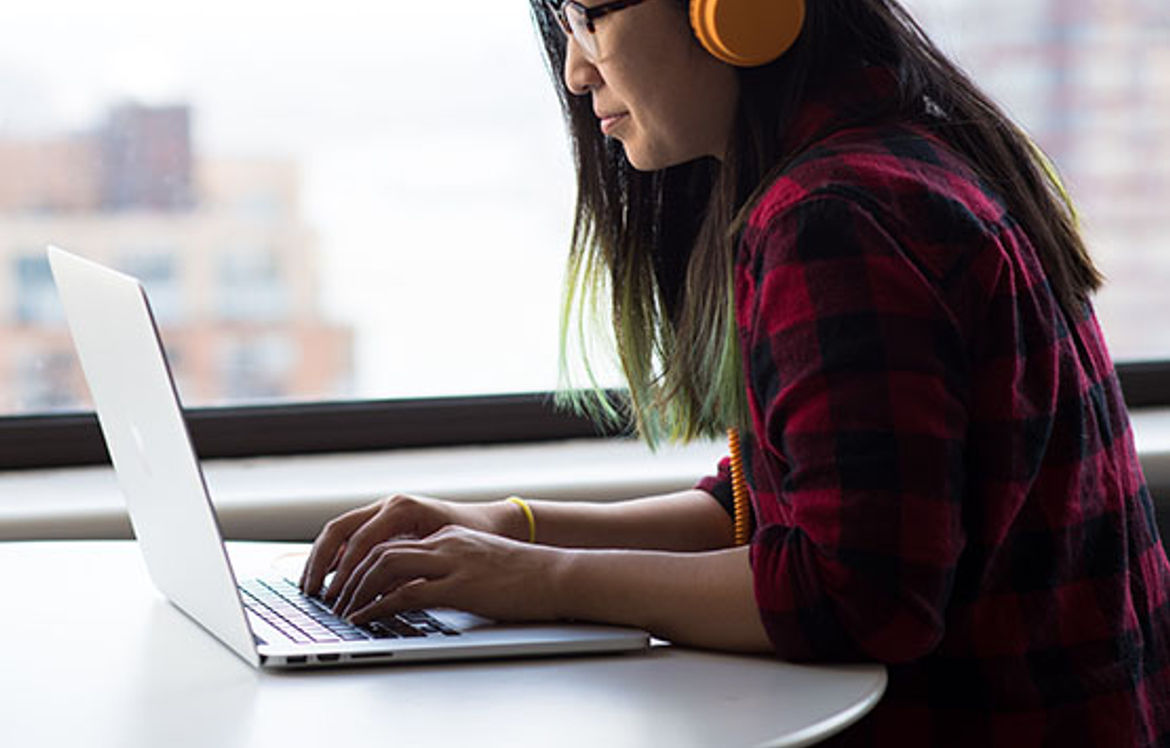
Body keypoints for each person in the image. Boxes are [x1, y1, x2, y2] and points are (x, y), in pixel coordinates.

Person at [300, 0, 1170, 743]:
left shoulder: (836, 213)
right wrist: (512, 527)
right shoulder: (893, 158)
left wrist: (538, 582)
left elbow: (858, 594)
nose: (575, 72)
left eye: (592, 15)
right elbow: (762, 505)